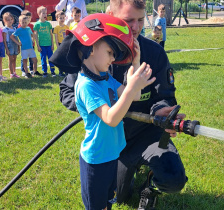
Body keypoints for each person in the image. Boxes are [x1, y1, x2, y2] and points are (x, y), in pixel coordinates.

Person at [58, 0, 187, 209]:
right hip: (112, 145)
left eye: (140, 20)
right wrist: (95, 105)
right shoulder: (94, 50)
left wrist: (161, 111)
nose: (135, 28)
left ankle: (150, 187)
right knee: (118, 196)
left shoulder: (154, 53)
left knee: (173, 177)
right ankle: (128, 171)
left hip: (147, 134)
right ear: (110, 14)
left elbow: (165, 95)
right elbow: (67, 91)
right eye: (127, 20)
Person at [51, 13, 156, 210]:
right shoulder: (86, 85)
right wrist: (132, 87)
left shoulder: (104, 78)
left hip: (111, 155)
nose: (113, 58)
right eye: (109, 52)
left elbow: (132, 96)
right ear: (91, 47)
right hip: (96, 162)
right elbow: (110, 118)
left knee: (108, 202)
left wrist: (136, 62)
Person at [33, 6, 54, 77]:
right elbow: (35, 36)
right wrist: (38, 45)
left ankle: (52, 71)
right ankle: (45, 71)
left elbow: (51, 35)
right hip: (42, 45)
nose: (45, 15)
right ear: (39, 14)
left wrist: (52, 44)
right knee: (43, 59)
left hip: (49, 45)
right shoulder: (36, 24)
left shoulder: (48, 24)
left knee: (51, 58)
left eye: (46, 13)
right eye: (43, 13)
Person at [2, 12, 20, 79]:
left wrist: (18, 46)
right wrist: (6, 49)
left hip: (15, 45)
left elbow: (16, 38)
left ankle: (14, 72)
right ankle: (11, 73)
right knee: (10, 59)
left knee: (14, 59)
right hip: (9, 46)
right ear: (4, 21)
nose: (10, 21)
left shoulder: (14, 28)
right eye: (8, 20)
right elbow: (4, 40)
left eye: (11, 19)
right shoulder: (5, 29)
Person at [18, 10, 34, 77]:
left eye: (29, 17)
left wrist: (33, 40)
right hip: (24, 45)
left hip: (31, 45)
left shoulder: (31, 25)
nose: (28, 19)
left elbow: (32, 35)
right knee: (24, 59)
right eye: (27, 17)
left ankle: (31, 69)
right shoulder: (20, 26)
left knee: (31, 58)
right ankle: (23, 70)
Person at [53, 11, 69, 77]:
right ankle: (60, 72)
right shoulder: (56, 28)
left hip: (65, 44)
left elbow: (68, 37)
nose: (62, 19)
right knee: (61, 59)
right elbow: (56, 38)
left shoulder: (66, 27)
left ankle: (66, 71)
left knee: (66, 58)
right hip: (60, 44)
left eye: (63, 18)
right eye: (60, 18)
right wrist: (57, 46)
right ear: (57, 18)